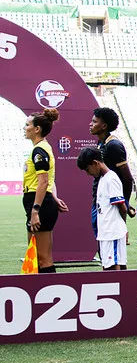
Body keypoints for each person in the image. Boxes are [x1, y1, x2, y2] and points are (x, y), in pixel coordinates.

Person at [22, 108, 68, 273]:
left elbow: (43, 182)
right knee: (34, 255)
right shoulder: (42, 148)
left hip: (39, 203)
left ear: (37, 129)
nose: (24, 128)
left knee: (43, 257)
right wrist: (53, 197)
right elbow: (49, 180)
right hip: (40, 202)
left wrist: (36, 210)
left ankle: (52, 292)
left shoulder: (40, 150)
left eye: (27, 124)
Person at [89, 108, 134, 247]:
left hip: (111, 203)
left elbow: (127, 178)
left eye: (94, 121)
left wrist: (124, 202)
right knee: (102, 243)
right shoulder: (100, 143)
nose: (90, 124)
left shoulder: (114, 145)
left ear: (104, 126)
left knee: (111, 245)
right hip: (99, 199)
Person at [77, 147, 127, 271]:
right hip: (105, 232)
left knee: (114, 268)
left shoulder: (111, 179)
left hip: (112, 233)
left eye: (88, 170)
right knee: (107, 268)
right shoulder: (102, 179)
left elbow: (122, 207)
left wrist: (122, 228)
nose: (88, 174)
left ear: (95, 163)